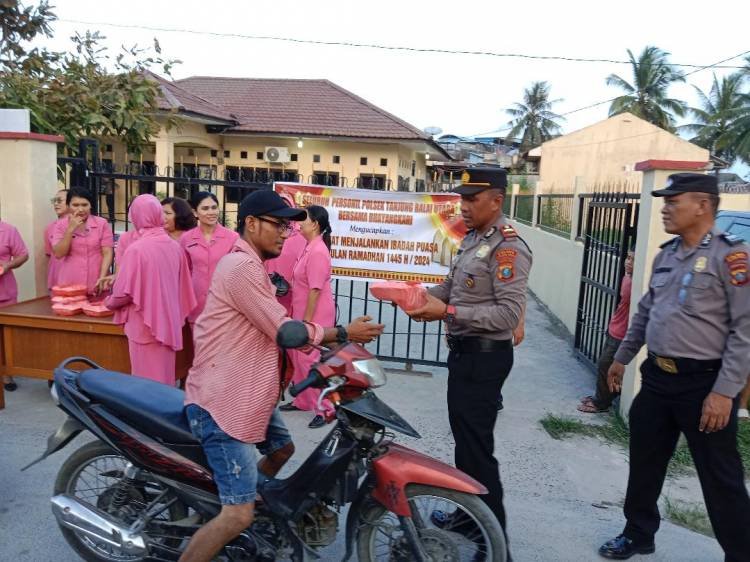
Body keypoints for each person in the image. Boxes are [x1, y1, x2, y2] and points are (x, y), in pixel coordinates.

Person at [180, 190, 383, 562]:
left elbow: (278, 325)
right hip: (223, 403)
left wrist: (326, 352)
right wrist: (343, 334)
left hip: (248, 392)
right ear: (251, 223)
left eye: (289, 226)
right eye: (278, 225)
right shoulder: (241, 267)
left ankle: (242, 505)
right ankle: (232, 514)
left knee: (282, 449)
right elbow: (285, 330)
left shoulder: (255, 266)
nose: (285, 233)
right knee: (237, 514)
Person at [601, 173, 750, 560]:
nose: (665, 208)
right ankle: (638, 534)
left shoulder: (731, 257)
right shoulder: (666, 254)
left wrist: (724, 392)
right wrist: (622, 357)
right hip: (657, 379)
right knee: (644, 461)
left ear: (702, 205)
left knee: (721, 477)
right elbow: (647, 311)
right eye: (664, 202)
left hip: (704, 385)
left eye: (673, 201)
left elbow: (744, 331)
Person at [407, 167, 532, 554]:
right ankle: (467, 513)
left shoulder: (508, 248)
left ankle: (496, 544)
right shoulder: (474, 239)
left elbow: (508, 316)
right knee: (465, 444)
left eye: (471, 199)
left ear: (496, 201)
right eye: (461, 198)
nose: (463, 206)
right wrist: (419, 295)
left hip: (485, 357)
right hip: (465, 356)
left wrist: (446, 311)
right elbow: (452, 285)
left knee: (478, 450)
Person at [105, 195, 196, 385]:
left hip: (144, 325)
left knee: (146, 387)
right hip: (168, 323)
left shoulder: (137, 249)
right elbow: (183, 287)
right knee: (164, 380)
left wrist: (109, 302)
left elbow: (123, 293)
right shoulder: (174, 246)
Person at [280, 205, 336, 428]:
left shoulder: (318, 251)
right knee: (300, 358)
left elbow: (315, 290)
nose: (299, 223)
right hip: (302, 312)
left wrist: (307, 323)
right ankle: (304, 401)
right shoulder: (309, 247)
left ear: (314, 224)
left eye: (303, 219)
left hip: (314, 315)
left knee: (313, 362)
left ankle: (326, 409)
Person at [578, 249, 635, 414]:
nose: (629, 262)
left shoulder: (635, 284)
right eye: (628, 257)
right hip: (614, 328)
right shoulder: (627, 277)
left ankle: (601, 403)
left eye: (633, 260)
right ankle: (601, 397)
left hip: (621, 333)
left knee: (605, 364)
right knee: (604, 364)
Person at [180, 191, 239, 324]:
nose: (211, 212)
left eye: (214, 207)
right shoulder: (186, 239)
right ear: (195, 213)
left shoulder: (233, 238)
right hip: (196, 305)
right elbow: (185, 272)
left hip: (224, 305)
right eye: (205, 208)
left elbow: (236, 272)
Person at [52, 187, 114, 295]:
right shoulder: (60, 225)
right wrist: (70, 229)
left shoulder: (101, 223)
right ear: (68, 206)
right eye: (75, 205)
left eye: (84, 205)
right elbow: (59, 253)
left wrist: (102, 277)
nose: (80, 209)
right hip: (70, 283)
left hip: (96, 281)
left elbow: (107, 252)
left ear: (90, 205)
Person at [264, 193, 306, 314]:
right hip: (269, 285)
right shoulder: (268, 232)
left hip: (293, 290)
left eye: (286, 206)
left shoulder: (301, 236)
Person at [0, 220, 29, 391]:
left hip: (4, 291)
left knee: (4, 335)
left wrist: (8, 264)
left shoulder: (9, 230)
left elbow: (22, 254)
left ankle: (6, 373)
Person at [45, 189, 69, 291]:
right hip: (56, 281)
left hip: (74, 279)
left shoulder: (80, 225)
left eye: (59, 201)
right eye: (54, 200)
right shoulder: (49, 228)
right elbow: (49, 255)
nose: (56, 204)